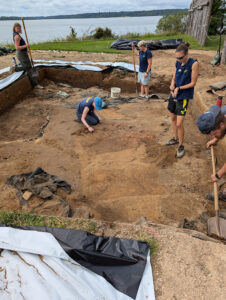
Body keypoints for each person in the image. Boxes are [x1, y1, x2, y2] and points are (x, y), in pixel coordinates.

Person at [166, 42, 199, 158]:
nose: (179, 60)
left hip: (183, 96)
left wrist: (179, 88)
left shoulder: (193, 64)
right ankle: (175, 138)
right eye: (177, 58)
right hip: (173, 94)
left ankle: (181, 145)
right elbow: (174, 77)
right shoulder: (177, 63)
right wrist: (172, 85)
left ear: (187, 54)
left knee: (180, 123)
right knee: (173, 118)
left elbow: (193, 83)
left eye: (180, 58)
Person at [197, 105, 226, 183]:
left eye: (215, 133)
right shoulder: (221, 114)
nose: (213, 136)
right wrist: (215, 139)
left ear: (222, 125)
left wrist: (218, 175)